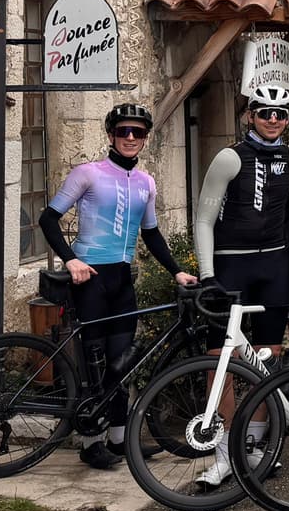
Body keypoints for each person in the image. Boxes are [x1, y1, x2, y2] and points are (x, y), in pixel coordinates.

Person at [38, 102, 195, 469]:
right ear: (110, 134)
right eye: (123, 131)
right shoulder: (87, 173)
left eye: (136, 132)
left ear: (144, 138)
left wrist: (176, 271)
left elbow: (151, 233)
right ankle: (91, 442)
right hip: (89, 277)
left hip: (122, 279)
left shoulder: (146, 182)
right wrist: (71, 259)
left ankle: (120, 439)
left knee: (121, 362)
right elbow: (48, 219)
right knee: (94, 362)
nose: (129, 137)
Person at [194, 85, 289, 360]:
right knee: (221, 354)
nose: (273, 120)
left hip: (274, 264)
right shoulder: (229, 158)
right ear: (250, 116)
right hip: (231, 265)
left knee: (267, 354)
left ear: (287, 118)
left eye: (280, 114)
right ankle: (218, 406)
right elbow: (203, 220)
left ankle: (263, 406)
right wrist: (207, 275)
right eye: (265, 114)